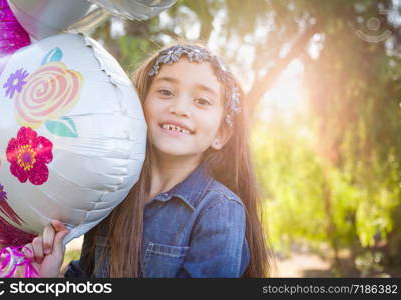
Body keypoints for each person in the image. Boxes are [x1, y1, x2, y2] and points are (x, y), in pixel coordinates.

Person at [21, 43, 271, 278]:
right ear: (138, 106)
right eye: (165, 91)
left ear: (221, 135)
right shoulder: (113, 194)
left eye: (202, 101)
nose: (179, 108)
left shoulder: (219, 209)